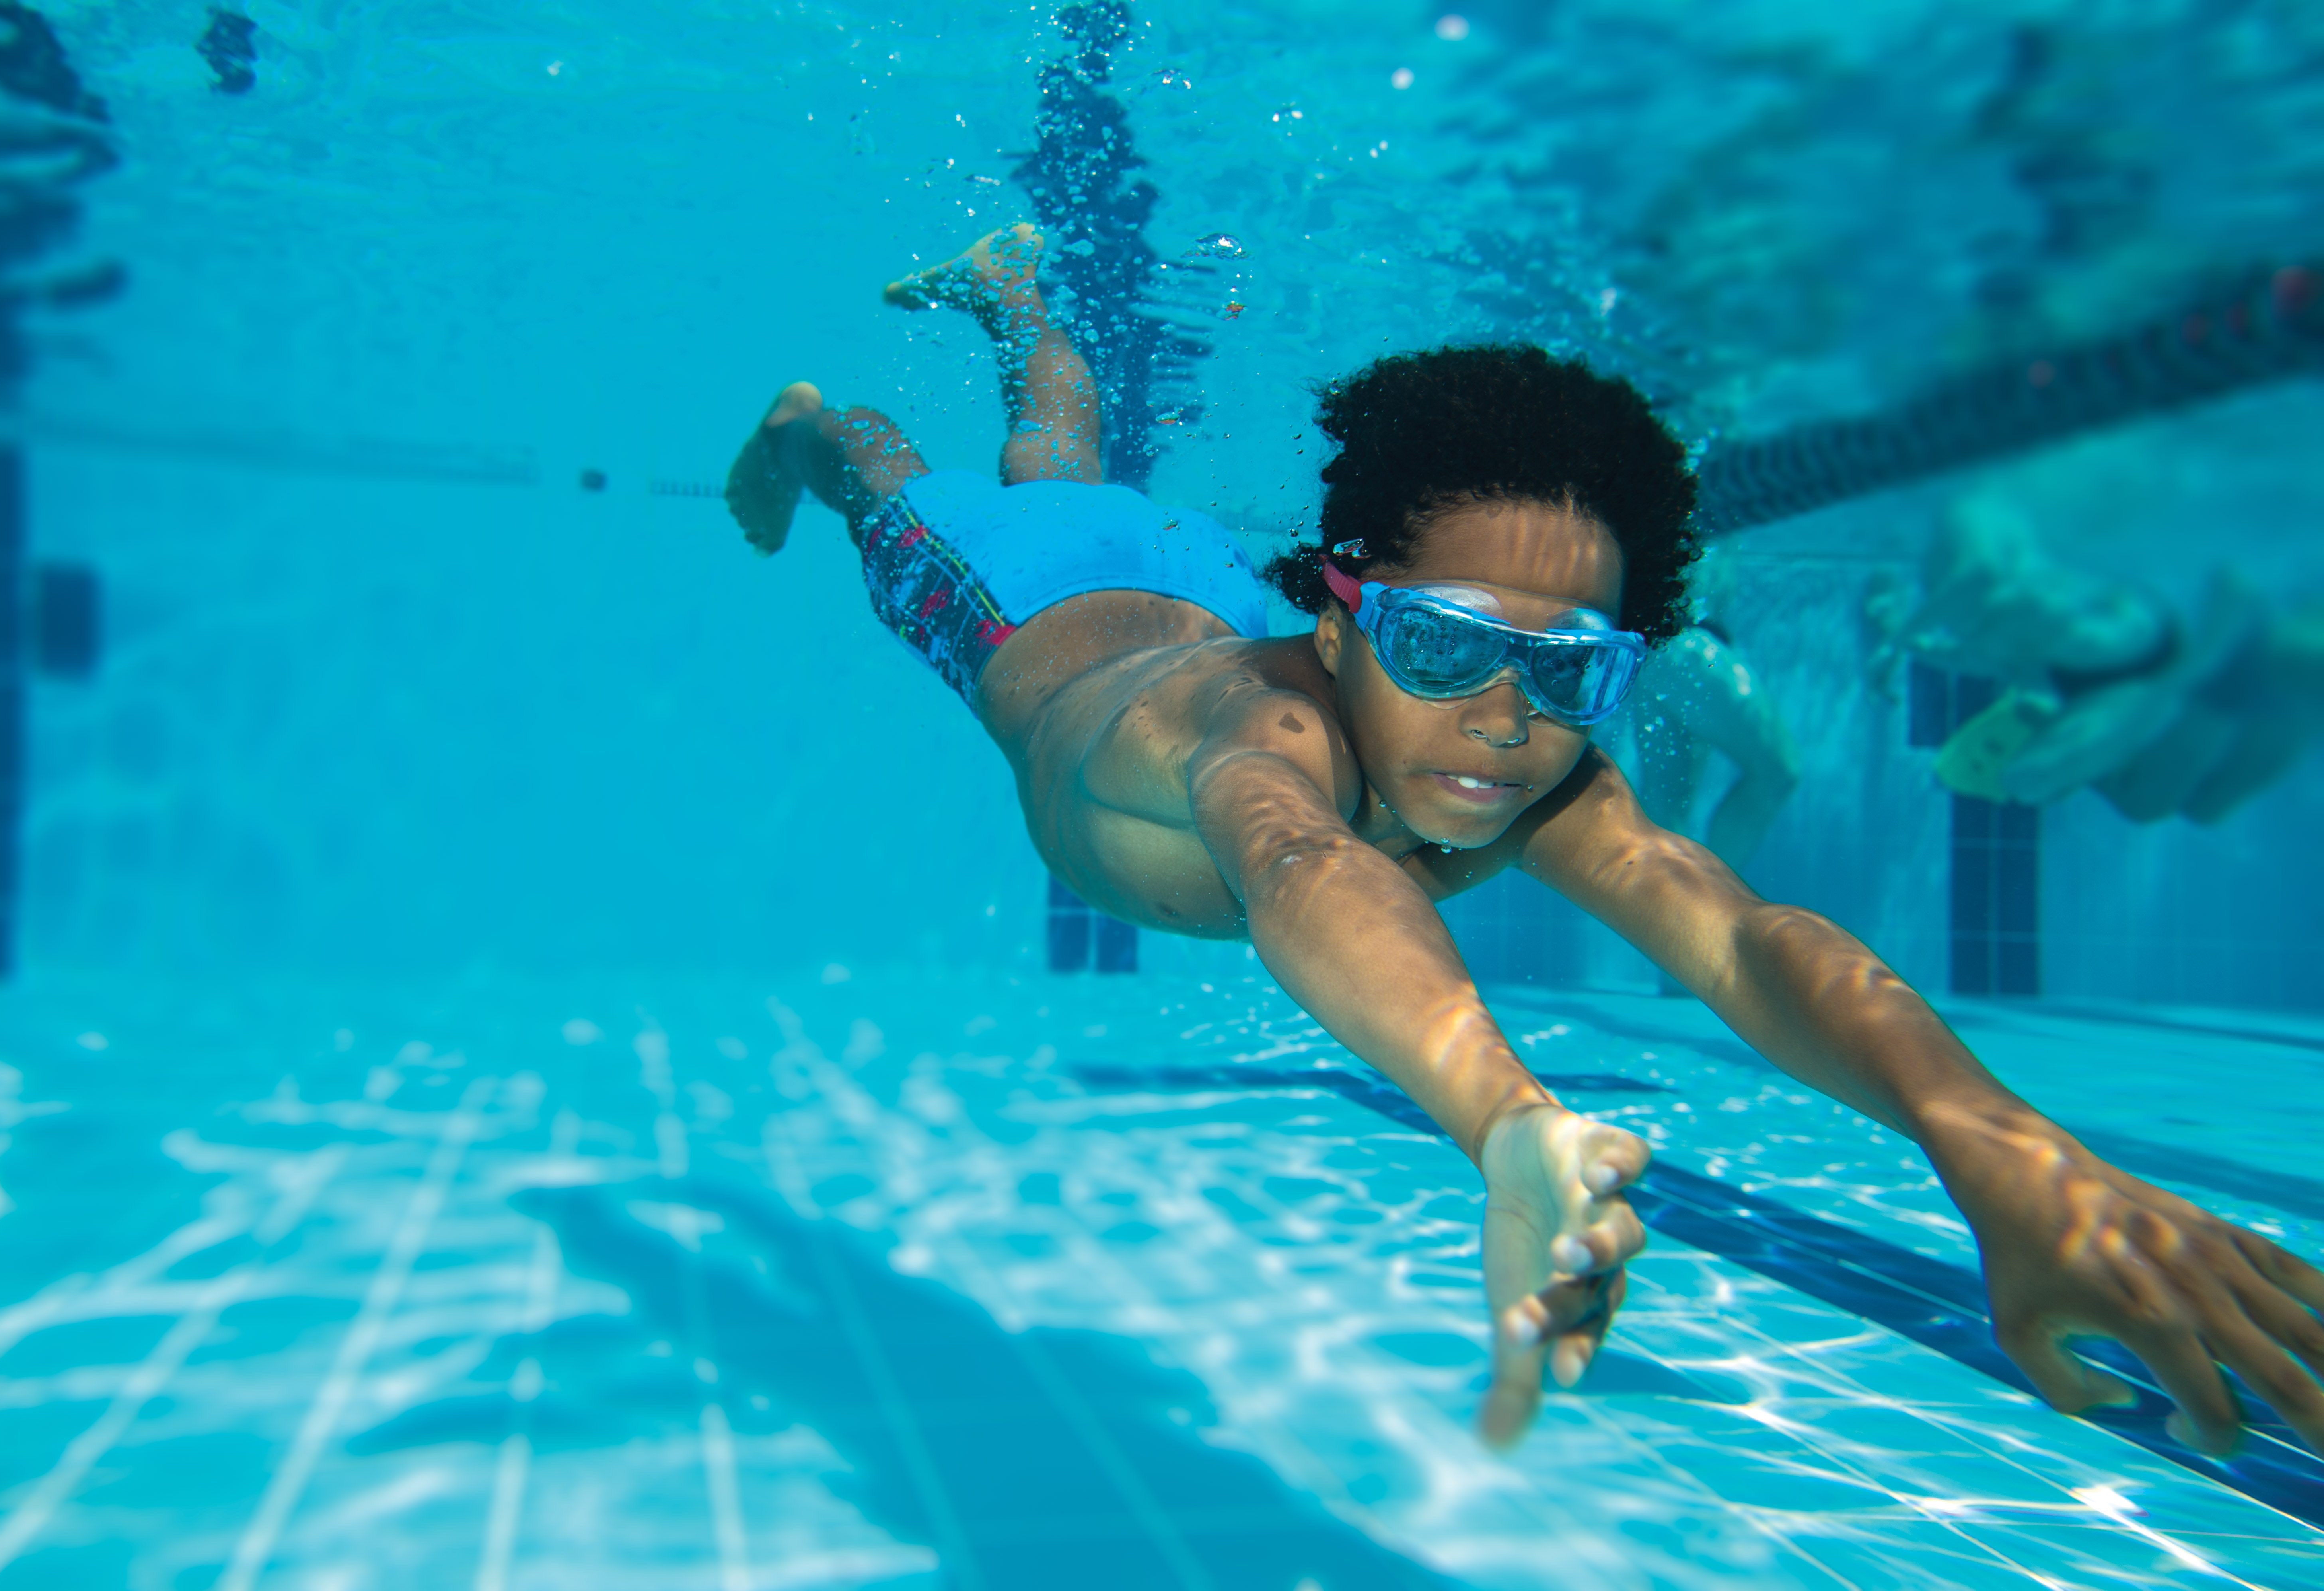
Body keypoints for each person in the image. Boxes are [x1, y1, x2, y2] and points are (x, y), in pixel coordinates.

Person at [725, 225, 2324, 1456]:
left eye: (1571, 671)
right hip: (1024, 604)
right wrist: (1509, 1122)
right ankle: (814, 421)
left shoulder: (1519, 745)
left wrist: (2002, 1150)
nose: (1504, 719)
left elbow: (1736, 930)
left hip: (1186, 573)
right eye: (1441, 649)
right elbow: (1304, 868)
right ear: (1340, 624)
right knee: (897, 487)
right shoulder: (1260, 739)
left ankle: (1017, 295)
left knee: (1066, 457)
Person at [1876, 492, 2324, 822]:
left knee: (2167, 802)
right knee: (2167, 802)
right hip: (2160, 666)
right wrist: (1900, 639)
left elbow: (1975, 609)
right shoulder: (2038, 621)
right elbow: (1977, 604)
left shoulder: (2037, 621)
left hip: (2150, 667)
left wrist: (1899, 638)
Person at [1622, 548, 1800, 872]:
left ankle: (1673, 900)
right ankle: (1715, 890)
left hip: (1657, 648)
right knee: (1778, 772)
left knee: (1667, 815)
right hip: (1682, 645)